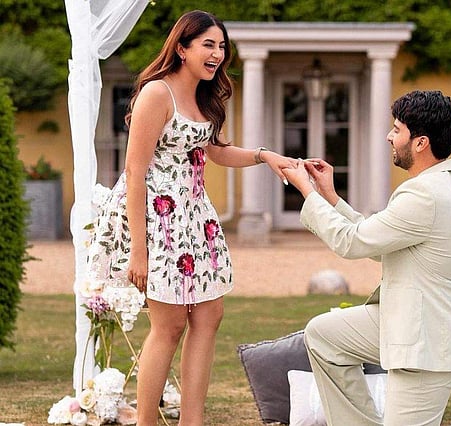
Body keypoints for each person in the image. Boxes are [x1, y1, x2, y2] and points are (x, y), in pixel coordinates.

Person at [86, 10, 296, 425]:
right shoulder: (156, 94)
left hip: (196, 220)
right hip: (159, 223)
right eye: (208, 45)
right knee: (168, 326)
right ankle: (146, 422)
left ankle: (192, 421)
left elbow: (214, 150)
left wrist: (264, 156)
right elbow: (135, 172)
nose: (217, 54)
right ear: (182, 48)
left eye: (221, 46)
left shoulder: (205, 96)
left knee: (209, 317)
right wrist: (140, 252)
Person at [282, 90, 451, 425]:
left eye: (397, 129)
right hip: (406, 319)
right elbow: (376, 240)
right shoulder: (440, 185)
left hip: (428, 343)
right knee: (324, 336)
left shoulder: (424, 195)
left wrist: (307, 192)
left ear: (421, 143)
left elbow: (351, 243)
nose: (389, 136)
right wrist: (330, 197)